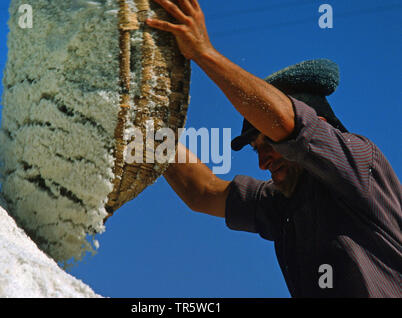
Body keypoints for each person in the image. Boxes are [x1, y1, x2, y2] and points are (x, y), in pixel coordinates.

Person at [146, 0, 402, 297]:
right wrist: (147, 127)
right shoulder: (282, 203)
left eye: (269, 144)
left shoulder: (359, 163)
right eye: (257, 150)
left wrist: (204, 52)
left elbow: (285, 122)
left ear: (318, 124)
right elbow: (201, 192)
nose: (263, 164)